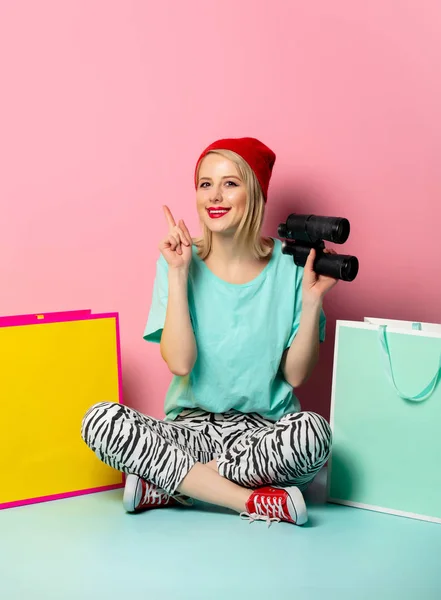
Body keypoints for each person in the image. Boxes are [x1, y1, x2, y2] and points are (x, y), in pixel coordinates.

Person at [81, 137, 338, 526]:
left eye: (230, 183)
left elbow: (296, 376)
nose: (214, 196)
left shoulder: (291, 268)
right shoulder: (177, 262)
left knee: (314, 434)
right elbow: (181, 363)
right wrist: (180, 273)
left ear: (256, 193)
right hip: (190, 433)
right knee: (99, 420)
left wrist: (312, 300)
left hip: (262, 439)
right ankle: (249, 501)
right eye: (205, 184)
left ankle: (174, 485)